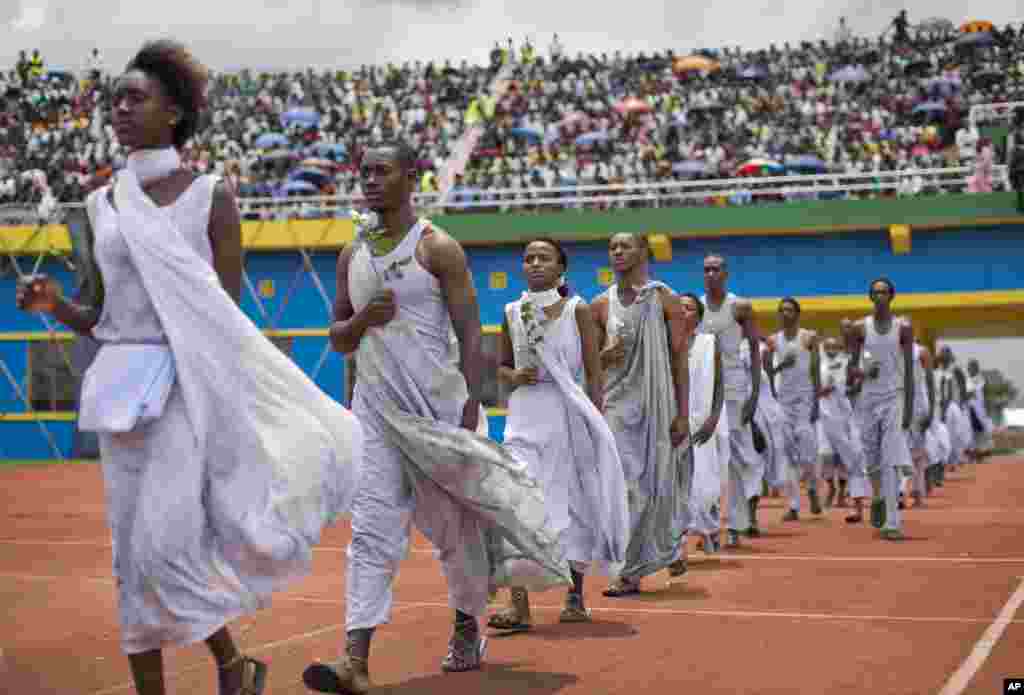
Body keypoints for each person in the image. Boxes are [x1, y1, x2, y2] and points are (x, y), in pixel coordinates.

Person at [16, 40, 364, 695]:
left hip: (185, 393)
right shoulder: (101, 204)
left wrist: (224, 412)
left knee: (162, 547)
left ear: (173, 111)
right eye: (115, 99)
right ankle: (230, 665)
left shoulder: (210, 196)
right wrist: (54, 305)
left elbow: (223, 321)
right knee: (132, 557)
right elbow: (104, 316)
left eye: (135, 97)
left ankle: (230, 663)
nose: (120, 109)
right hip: (121, 397)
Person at [305, 141, 568, 694]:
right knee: (371, 530)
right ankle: (354, 659)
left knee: (457, 533)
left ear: (411, 178)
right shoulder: (351, 255)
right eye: (364, 172)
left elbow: (470, 330)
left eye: (382, 171)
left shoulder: (438, 248)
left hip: (441, 410)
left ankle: (467, 625)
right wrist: (363, 320)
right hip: (377, 412)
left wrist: (472, 401)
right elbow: (339, 336)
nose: (370, 180)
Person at [486, 238, 628, 631]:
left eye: (543, 258)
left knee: (575, 501)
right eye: (528, 258)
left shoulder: (576, 309)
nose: (534, 263)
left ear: (560, 268)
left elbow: (594, 371)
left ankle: (575, 596)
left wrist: (596, 419)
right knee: (515, 501)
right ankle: (519, 606)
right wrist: (514, 375)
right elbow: (501, 366)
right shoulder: (512, 311)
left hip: (569, 412)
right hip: (524, 414)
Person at [591, 232, 692, 596]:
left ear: (643, 252)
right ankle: (629, 570)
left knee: (653, 486)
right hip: (616, 405)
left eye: (626, 246)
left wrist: (683, 414)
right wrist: (602, 358)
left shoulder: (664, 299)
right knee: (626, 487)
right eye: (613, 247)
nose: (618, 252)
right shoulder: (599, 306)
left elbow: (679, 359)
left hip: (656, 404)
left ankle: (653, 554)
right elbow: (587, 365)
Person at [843, 278, 914, 541]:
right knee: (871, 457)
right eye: (875, 292)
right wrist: (863, 372)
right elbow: (850, 370)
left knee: (890, 458)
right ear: (870, 297)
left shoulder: (903, 328)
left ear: (892, 296)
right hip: (868, 401)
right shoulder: (860, 328)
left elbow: (909, 372)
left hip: (893, 398)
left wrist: (908, 409)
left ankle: (892, 523)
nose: (880, 296)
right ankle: (877, 497)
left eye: (884, 292)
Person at [699, 254, 762, 548]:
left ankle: (737, 524)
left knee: (736, 460)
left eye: (716, 269)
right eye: (706, 270)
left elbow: (755, 350)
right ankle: (709, 527)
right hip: (704, 389)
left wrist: (755, 395)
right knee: (706, 459)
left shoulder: (740, 307)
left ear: (725, 273)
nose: (710, 274)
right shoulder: (695, 307)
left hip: (735, 389)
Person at [763, 298, 822, 521]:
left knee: (807, 453)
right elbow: (767, 373)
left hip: (805, 400)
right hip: (783, 402)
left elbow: (815, 370)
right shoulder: (773, 341)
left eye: (789, 310)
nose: (785, 313)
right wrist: (780, 366)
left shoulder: (809, 337)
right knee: (787, 453)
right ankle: (794, 505)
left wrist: (816, 402)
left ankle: (813, 488)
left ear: (797, 314)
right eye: (782, 310)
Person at [679, 292, 726, 566]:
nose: (682, 311)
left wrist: (713, 419)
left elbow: (719, 384)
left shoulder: (709, 343)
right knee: (677, 486)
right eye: (679, 308)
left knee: (703, 486)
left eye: (688, 308)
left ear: (698, 317)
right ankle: (679, 546)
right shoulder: (666, 344)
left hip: (702, 424)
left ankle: (707, 528)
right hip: (674, 424)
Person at [817, 336, 870, 521]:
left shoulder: (846, 363)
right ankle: (832, 488)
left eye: (835, 346)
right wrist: (823, 390)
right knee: (826, 456)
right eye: (828, 346)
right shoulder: (818, 365)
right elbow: (811, 390)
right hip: (824, 418)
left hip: (845, 418)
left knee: (854, 459)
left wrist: (856, 384)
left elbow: (859, 381)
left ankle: (857, 507)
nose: (831, 349)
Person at [966, 359, 995, 458]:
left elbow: (987, 395)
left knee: (982, 431)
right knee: (972, 431)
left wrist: (988, 408)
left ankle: (983, 450)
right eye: (968, 368)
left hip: (980, 409)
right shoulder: (968, 380)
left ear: (976, 368)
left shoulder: (981, 380)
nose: (969, 369)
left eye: (970, 367)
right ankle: (976, 451)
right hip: (970, 408)